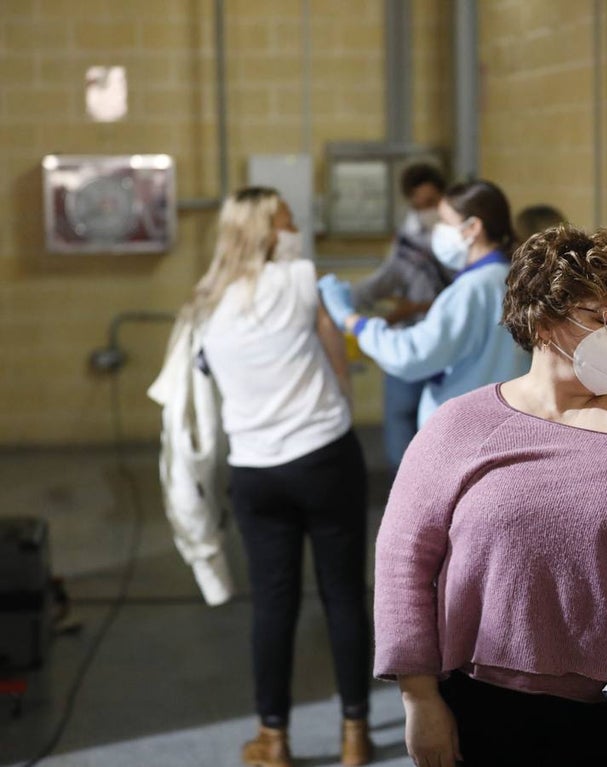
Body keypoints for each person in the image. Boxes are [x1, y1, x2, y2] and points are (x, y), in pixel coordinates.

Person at [372, 224, 607, 766]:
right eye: (601, 317)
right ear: (543, 319)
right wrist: (419, 697)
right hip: (484, 704)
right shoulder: (461, 426)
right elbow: (404, 558)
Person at [191, 187, 374, 767]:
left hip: (254, 471)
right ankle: (354, 734)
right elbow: (336, 356)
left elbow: (203, 377)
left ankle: (272, 737)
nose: (296, 225)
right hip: (323, 456)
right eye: (288, 218)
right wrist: (339, 403)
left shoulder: (205, 302)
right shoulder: (300, 277)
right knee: (343, 595)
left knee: (273, 605)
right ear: (269, 228)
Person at [318, 179, 530, 427]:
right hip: (502, 420)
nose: (436, 231)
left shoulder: (472, 288)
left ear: (473, 227)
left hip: (467, 427)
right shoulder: (509, 277)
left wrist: (352, 321)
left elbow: (411, 354)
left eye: (444, 221)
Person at [350, 162, 452, 472]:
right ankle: (405, 480)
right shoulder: (406, 242)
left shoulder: (456, 242)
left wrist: (419, 307)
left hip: (446, 338)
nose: (425, 211)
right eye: (418, 205)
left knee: (442, 416)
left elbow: (464, 294)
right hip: (410, 336)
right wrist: (346, 299)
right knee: (400, 413)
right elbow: (386, 279)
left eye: (431, 203)